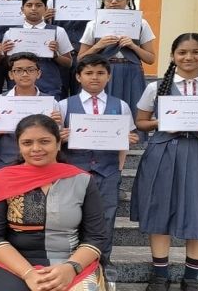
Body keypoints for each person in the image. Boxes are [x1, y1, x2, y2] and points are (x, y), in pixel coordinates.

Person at [130, 33, 198, 291]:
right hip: (164, 153)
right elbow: (140, 122)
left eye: (196, 52)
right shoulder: (156, 87)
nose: (189, 57)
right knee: (160, 211)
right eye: (182, 52)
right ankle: (160, 275)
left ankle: (191, 278)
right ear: (172, 56)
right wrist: (161, 122)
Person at [0, 114, 109, 291]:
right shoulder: (3, 179)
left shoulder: (82, 180)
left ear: (58, 143)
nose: (36, 148)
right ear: (19, 146)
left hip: (70, 260)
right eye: (27, 143)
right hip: (13, 263)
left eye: (44, 141)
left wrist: (70, 268)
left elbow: (96, 236)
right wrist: (28, 273)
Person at [60, 53, 139, 266]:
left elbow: (125, 141)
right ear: (78, 77)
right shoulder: (64, 105)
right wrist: (61, 137)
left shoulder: (120, 105)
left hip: (108, 171)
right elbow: (53, 141)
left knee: (106, 216)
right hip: (73, 170)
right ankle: (71, 262)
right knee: (71, 216)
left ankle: (103, 261)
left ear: (109, 76)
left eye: (100, 73)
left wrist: (120, 165)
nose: (94, 77)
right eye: (89, 73)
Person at [78, 0, 157, 139]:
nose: (114, 2)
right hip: (104, 72)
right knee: (105, 107)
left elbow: (150, 59)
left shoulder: (141, 23)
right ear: (104, 0)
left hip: (131, 71)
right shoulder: (94, 24)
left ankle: (133, 141)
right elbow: (80, 58)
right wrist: (98, 45)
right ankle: (102, 139)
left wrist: (133, 46)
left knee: (133, 106)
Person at [0, 52, 61, 177]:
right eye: (19, 70)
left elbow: (56, 138)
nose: (25, 74)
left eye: (30, 70)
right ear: (11, 74)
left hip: (40, 161)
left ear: (38, 73)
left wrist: (56, 125)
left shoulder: (51, 103)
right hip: (6, 162)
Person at [2, 0, 73, 100]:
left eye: (38, 5)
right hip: (19, 88)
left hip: (49, 87)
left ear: (45, 9)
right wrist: (5, 53)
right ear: (22, 9)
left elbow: (69, 63)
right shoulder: (11, 33)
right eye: (29, 5)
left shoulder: (58, 31)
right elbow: (5, 64)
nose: (34, 8)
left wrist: (56, 55)